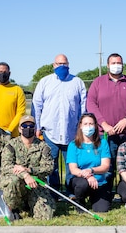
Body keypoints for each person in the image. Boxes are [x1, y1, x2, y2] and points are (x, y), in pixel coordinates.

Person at [86, 53, 126, 193]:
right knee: (108, 165)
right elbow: (91, 104)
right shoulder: (98, 82)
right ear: (107, 65)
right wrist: (103, 124)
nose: (116, 65)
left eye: (119, 62)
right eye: (113, 63)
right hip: (105, 134)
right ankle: (106, 193)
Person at [31, 54, 87, 195]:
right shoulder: (44, 82)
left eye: (64, 63)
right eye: (58, 63)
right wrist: (37, 127)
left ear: (68, 64)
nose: (62, 66)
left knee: (72, 166)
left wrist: (82, 128)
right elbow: (37, 106)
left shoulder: (77, 82)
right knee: (51, 166)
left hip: (72, 133)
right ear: (53, 65)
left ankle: (72, 193)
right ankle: (54, 194)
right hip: (50, 132)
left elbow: (83, 107)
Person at [0, 115, 55, 220]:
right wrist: (24, 175)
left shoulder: (43, 146)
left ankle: (29, 204)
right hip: (17, 182)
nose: (28, 128)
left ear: (34, 128)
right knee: (12, 181)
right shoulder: (11, 145)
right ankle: (14, 209)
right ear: (20, 129)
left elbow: (49, 167)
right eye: (24, 125)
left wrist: (30, 170)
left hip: (36, 184)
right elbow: (6, 166)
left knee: (46, 216)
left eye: (31, 126)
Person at [67, 113, 111, 213]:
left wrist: (91, 170)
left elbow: (105, 166)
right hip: (81, 180)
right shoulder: (73, 145)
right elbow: (73, 169)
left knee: (102, 209)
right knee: (82, 185)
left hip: (99, 182)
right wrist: (88, 176)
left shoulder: (103, 143)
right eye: (85, 124)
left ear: (95, 126)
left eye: (91, 124)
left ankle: (94, 198)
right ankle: (80, 201)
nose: (88, 126)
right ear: (80, 126)